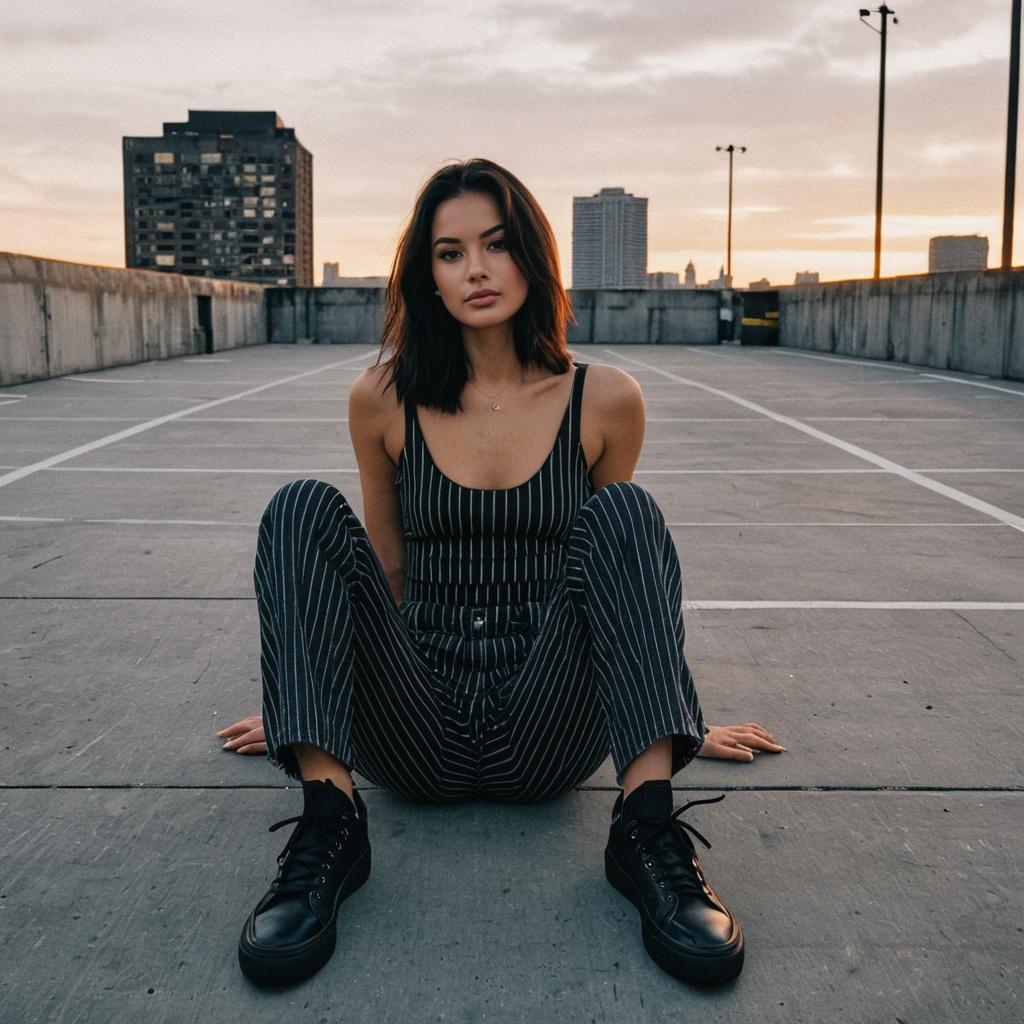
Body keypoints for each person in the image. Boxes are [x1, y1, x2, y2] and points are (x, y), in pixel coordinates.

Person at [219, 158, 785, 989]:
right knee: (301, 506)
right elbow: (382, 570)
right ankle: (328, 831)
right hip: (417, 725)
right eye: (451, 253)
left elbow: (617, 581)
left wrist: (673, 723)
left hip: (543, 727)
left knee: (627, 514)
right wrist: (313, 711)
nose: (477, 269)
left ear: (533, 257)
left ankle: (648, 833)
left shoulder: (606, 398)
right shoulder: (382, 397)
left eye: (496, 243)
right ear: (430, 278)